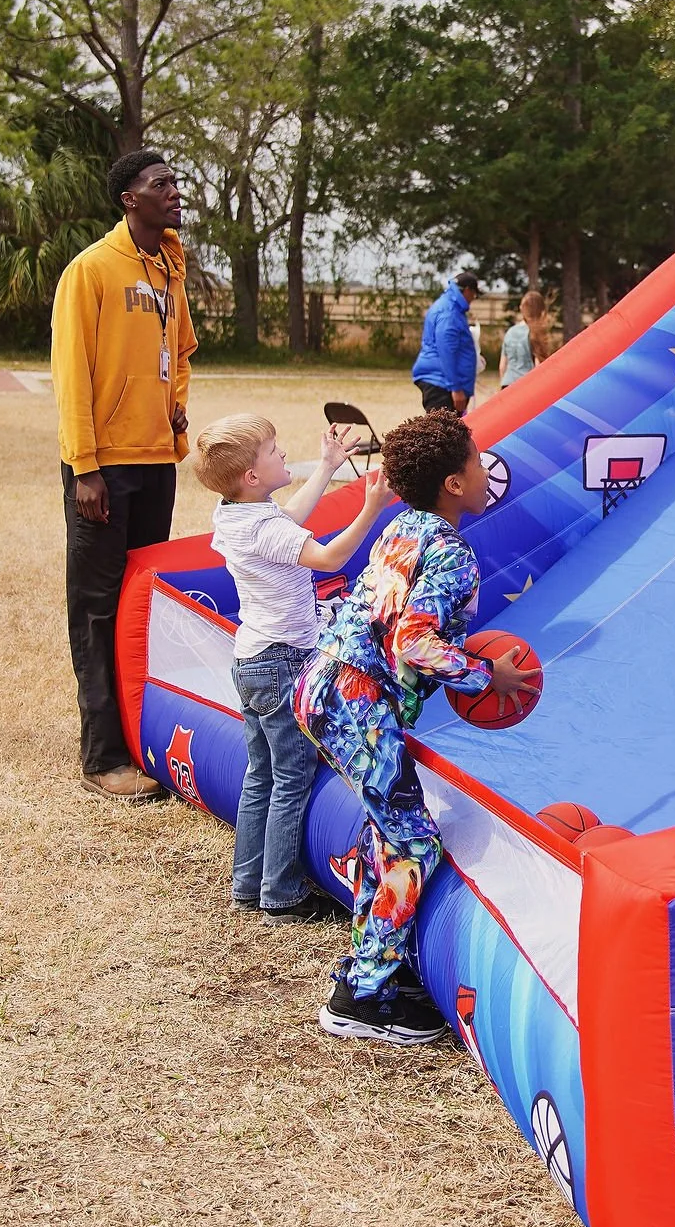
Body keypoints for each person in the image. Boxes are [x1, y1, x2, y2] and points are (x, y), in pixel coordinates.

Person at [294, 411, 536, 1044]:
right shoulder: (452, 552)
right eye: (478, 461)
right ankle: (363, 996)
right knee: (416, 843)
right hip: (356, 698)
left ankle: (373, 962)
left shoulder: (405, 527)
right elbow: (414, 644)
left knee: (391, 828)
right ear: (454, 483)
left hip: (324, 684)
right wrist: (488, 677)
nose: (486, 470)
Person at [194, 414, 394, 923]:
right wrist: (370, 509)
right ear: (252, 478)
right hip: (283, 662)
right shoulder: (262, 526)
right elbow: (326, 558)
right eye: (273, 450)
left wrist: (327, 466)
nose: (283, 454)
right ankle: (280, 893)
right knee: (292, 776)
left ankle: (248, 881)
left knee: (260, 775)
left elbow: (287, 520)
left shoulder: (237, 513)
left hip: (253, 658)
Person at [52, 150, 196, 804]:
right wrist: (85, 466)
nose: (173, 191)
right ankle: (102, 755)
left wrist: (175, 422)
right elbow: (71, 372)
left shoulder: (171, 266)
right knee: (97, 608)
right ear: (127, 199)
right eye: (159, 184)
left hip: (153, 459)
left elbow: (181, 349)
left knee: (140, 603)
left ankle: (137, 740)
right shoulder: (90, 270)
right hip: (103, 465)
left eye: (174, 181)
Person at [411, 270, 481, 414]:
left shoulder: (449, 306)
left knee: (448, 433)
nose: (473, 299)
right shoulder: (449, 312)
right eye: (474, 295)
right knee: (443, 434)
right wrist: (455, 388)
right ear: (467, 290)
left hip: (441, 380)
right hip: (441, 384)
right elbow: (447, 350)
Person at [500, 288, 552, 388]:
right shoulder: (536, 333)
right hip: (527, 385)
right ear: (541, 312)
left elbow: (502, 366)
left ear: (521, 309)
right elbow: (539, 365)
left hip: (507, 383)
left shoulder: (510, 332)